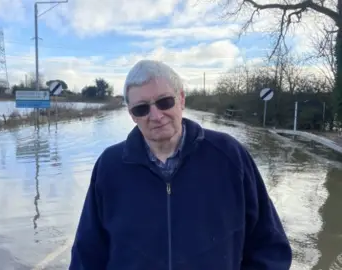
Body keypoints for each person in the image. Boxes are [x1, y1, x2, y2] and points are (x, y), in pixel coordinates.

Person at [68, 60, 292, 270]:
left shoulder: (230, 156)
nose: (155, 116)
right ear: (131, 114)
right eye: (141, 108)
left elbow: (270, 247)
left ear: (182, 99)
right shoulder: (110, 167)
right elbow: (87, 254)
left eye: (165, 102)